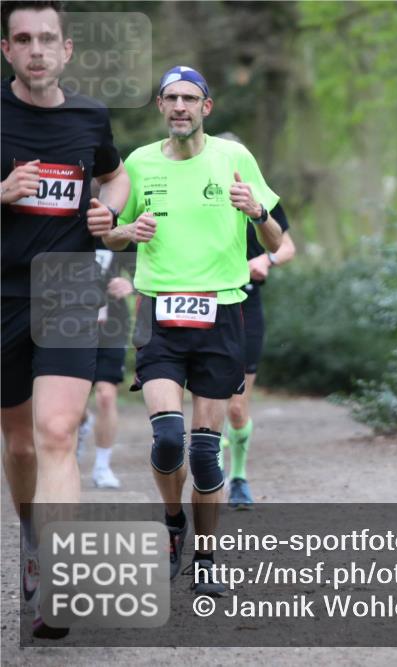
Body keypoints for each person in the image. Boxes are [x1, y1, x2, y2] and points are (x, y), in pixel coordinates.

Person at [104, 65, 282, 596]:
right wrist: (126, 233)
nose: (180, 106)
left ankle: (205, 557)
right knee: (165, 439)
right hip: (158, 312)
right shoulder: (137, 164)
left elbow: (273, 240)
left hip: (222, 313)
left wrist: (256, 213)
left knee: (205, 452)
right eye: (170, 98)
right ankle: (173, 524)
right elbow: (110, 234)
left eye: (190, 98)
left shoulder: (234, 158)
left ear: (207, 106)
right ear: (160, 106)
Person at [1, 0, 129, 639]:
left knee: (56, 432)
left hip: (70, 287)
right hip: (1, 294)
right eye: (23, 39)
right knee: (20, 442)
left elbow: (116, 174)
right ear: (7, 51)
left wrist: (106, 214)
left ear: (67, 49)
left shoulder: (89, 115)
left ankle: (59, 582)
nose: (36, 50)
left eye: (47, 39)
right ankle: (30, 539)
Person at [214, 132, 296, 510]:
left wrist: (266, 260)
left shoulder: (261, 197)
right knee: (210, 399)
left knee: (236, 407)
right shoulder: (201, 194)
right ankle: (211, 471)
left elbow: (287, 246)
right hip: (207, 303)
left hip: (247, 305)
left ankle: (240, 475)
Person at [81, 239, 136, 489]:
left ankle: (102, 467)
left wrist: (130, 284)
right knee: (75, 401)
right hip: (70, 324)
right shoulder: (67, 226)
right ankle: (82, 422)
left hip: (112, 323)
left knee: (106, 395)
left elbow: (146, 267)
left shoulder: (118, 227)